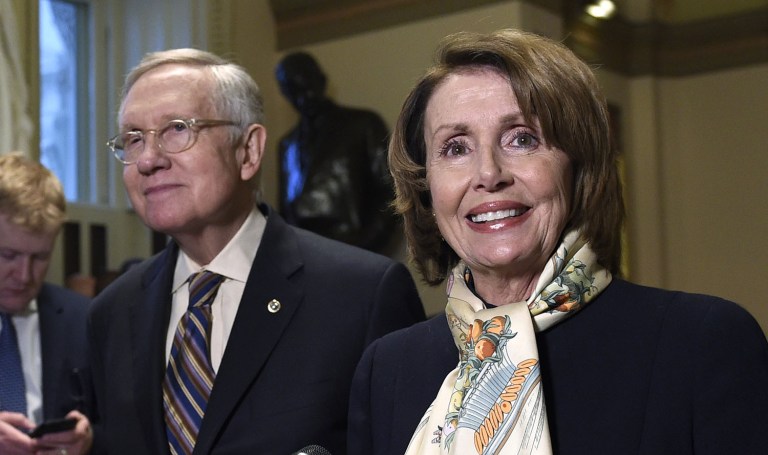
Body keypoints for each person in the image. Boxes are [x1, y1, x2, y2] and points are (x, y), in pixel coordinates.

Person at [347, 29, 768, 455]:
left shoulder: (702, 343)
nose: (489, 174)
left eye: (522, 139)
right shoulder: (389, 370)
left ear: (578, 165)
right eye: (456, 148)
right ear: (426, 186)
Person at [90, 48, 425, 455]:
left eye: (177, 129)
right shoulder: (110, 313)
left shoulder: (362, 295)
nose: (148, 159)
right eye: (133, 138)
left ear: (248, 150)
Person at [0, 152, 95, 454]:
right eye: (8, 255)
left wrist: (89, 439)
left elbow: (123, 428)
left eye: (40, 257)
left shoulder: (83, 319)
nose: (24, 276)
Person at [275, 51, 397, 254]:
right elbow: (286, 215)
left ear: (321, 80)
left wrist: (362, 251)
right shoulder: (287, 145)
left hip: (356, 256)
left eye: (306, 86)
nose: (304, 98)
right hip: (305, 262)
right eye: (293, 91)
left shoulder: (363, 124)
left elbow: (391, 194)